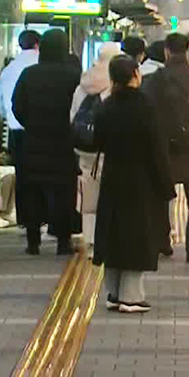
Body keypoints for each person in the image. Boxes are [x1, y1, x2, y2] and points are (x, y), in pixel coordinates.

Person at [93, 54, 173, 312]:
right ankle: (131, 297)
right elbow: (156, 149)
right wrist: (166, 184)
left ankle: (113, 293)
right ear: (135, 75)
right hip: (140, 180)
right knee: (136, 236)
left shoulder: (106, 105)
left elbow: (97, 141)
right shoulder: (145, 106)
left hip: (113, 177)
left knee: (113, 234)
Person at [144, 32, 189, 263]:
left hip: (162, 147)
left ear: (167, 51)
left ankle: (163, 243)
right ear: (187, 51)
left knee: (161, 196)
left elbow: (146, 114)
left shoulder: (155, 80)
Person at [11, 29, 82, 255]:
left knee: (32, 190)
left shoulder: (29, 74)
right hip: (63, 143)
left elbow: (17, 106)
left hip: (33, 142)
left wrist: (32, 124)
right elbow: (79, 109)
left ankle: (33, 242)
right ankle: (63, 241)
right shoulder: (73, 76)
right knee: (63, 191)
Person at [72, 43, 122, 248]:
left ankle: (90, 237)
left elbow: (73, 115)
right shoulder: (118, 83)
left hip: (86, 148)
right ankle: (109, 236)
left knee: (88, 191)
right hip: (111, 148)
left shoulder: (84, 82)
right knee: (112, 191)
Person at [0, 30, 40, 223]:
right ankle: (41, 216)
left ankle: (24, 217)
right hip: (41, 131)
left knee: (22, 175)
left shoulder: (9, 68)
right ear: (38, 44)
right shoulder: (41, 65)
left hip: (16, 131)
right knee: (41, 174)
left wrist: (10, 117)